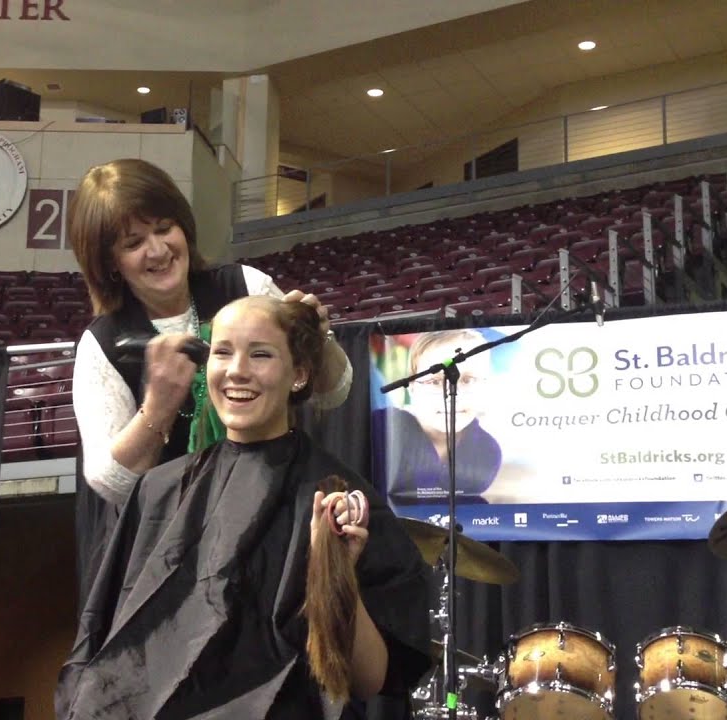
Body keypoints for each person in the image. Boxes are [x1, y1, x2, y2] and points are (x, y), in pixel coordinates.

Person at [56, 296, 432, 719]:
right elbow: (105, 655)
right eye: (222, 352)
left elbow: (370, 679)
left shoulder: (335, 500)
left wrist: (337, 575)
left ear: (299, 374)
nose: (236, 370)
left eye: (260, 354)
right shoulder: (158, 493)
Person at [69, 158, 353, 603]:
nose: (158, 250)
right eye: (134, 242)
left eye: (165, 228)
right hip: (170, 557)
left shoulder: (248, 286)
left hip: (274, 526)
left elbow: (333, 392)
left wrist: (322, 340)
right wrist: (158, 405)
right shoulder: (101, 344)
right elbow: (110, 482)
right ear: (109, 262)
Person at [374, 329, 502, 505]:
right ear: (411, 387)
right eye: (434, 381)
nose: (452, 395)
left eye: (468, 380)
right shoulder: (380, 430)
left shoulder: (487, 453)